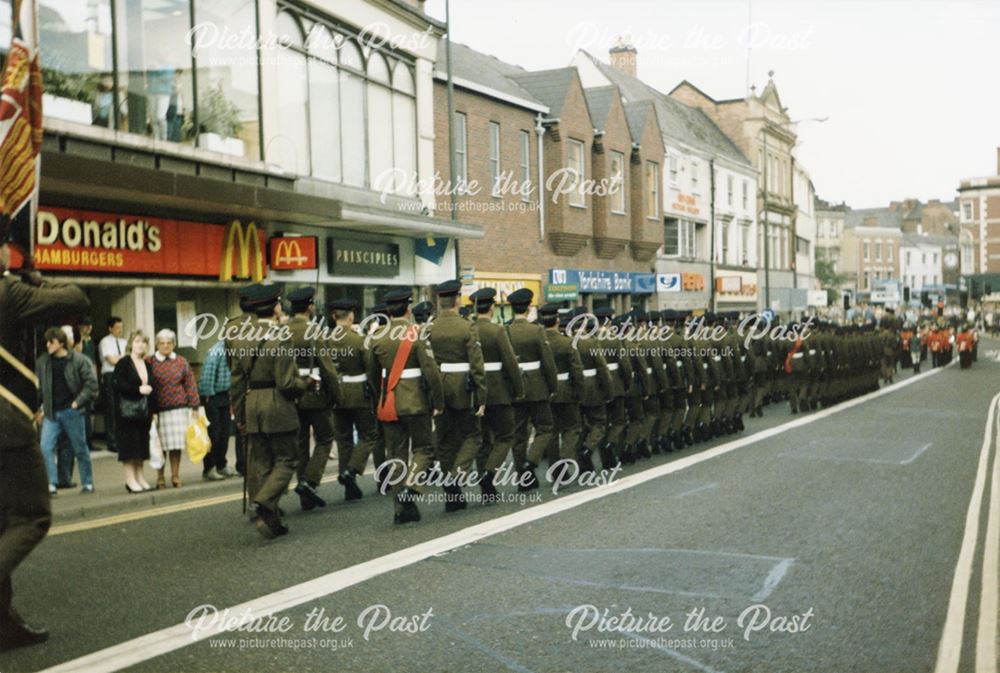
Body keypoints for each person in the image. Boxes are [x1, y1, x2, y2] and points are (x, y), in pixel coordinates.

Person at [0, 241, 89, 651]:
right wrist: (37, 279)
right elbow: (76, 300)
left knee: (4, 523)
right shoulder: (9, 292)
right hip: (7, 423)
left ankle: (4, 624)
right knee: (33, 516)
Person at [235, 283, 309, 538]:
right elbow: (287, 384)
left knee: (262, 462)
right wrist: (306, 384)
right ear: (276, 308)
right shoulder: (281, 336)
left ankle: (271, 522)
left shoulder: (241, 337)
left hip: (252, 403)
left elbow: (236, 381)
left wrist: (240, 413)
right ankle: (264, 501)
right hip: (277, 405)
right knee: (287, 460)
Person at [367, 288, 444, 525]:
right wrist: (438, 402)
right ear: (408, 309)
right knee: (423, 450)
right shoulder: (416, 335)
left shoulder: (377, 337)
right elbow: (431, 372)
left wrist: (381, 398)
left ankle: (400, 511)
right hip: (415, 401)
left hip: (389, 402)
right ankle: (411, 488)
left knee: (396, 455)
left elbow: (372, 377)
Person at [286, 287, 339, 511]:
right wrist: (336, 394)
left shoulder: (283, 331)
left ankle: (305, 493)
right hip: (315, 393)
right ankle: (310, 481)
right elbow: (327, 368)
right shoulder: (315, 332)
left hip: (291, 393)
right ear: (309, 307)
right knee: (326, 438)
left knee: (300, 444)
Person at [469, 287, 524, 502]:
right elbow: (510, 363)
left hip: (475, 391)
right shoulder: (498, 331)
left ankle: (487, 491)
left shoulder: (469, 330)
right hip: (499, 391)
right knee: (505, 436)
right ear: (491, 308)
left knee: (483, 440)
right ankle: (489, 473)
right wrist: (519, 390)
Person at [36, 327, 99, 495]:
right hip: (51, 412)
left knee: (80, 448)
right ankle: (51, 483)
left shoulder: (78, 360)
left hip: (71, 411)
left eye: (52, 341)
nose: (48, 344)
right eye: (47, 341)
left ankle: (88, 483)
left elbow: (91, 384)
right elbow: (41, 388)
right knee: (45, 447)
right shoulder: (43, 362)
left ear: (61, 343)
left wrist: (77, 402)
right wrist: (41, 408)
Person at [326, 297, 377, 502]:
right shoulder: (358, 340)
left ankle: (350, 486)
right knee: (369, 434)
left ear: (333, 317)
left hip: (337, 393)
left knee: (344, 439)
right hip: (359, 393)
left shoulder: (326, 340)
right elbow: (370, 368)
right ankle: (352, 471)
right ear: (351, 316)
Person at [148, 329, 200, 489]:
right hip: (159, 410)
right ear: (156, 344)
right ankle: (160, 478)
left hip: (178, 408)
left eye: (169, 343)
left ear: (174, 344)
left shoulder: (181, 361)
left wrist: (195, 406)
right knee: (160, 446)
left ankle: (175, 476)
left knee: (176, 446)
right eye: (162, 343)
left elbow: (190, 383)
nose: (165, 346)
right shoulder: (150, 362)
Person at [113, 331, 155, 492]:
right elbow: (117, 384)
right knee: (129, 447)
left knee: (141, 446)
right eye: (137, 341)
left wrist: (154, 411)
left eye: (143, 342)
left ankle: (140, 477)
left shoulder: (147, 364)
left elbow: (152, 388)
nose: (140, 345)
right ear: (131, 344)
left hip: (143, 413)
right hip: (127, 413)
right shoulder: (123, 363)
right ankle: (130, 480)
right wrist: (138, 389)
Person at [198, 339, 236, 482]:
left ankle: (221, 464)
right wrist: (207, 393)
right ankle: (209, 468)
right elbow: (208, 371)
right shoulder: (217, 350)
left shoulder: (232, 349)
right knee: (214, 434)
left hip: (224, 395)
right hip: (212, 396)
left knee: (224, 433)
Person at [98, 317, 127, 452]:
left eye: (121, 327)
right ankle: (112, 441)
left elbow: (127, 359)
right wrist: (122, 359)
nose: (120, 330)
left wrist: (120, 359)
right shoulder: (105, 341)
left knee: (121, 407)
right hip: (110, 375)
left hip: (122, 375)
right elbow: (111, 360)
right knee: (111, 408)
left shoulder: (124, 342)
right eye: (117, 328)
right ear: (110, 328)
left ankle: (122, 439)